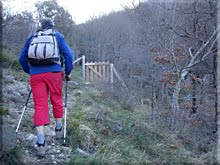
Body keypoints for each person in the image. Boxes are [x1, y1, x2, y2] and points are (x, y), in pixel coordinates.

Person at [19, 17, 74, 157]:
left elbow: (22, 58)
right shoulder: (57, 35)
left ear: (41, 26)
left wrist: (30, 71)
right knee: (56, 99)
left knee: (40, 106)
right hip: (54, 73)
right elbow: (68, 54)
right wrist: (68, 72)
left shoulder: (33, 36)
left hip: (36, 75)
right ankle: (58, 128)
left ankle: (41, 143)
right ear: (52, 25)